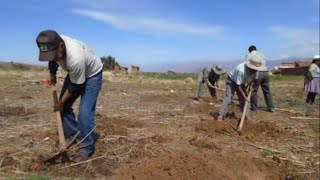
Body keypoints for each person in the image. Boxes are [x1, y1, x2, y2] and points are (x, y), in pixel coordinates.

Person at [36, 30, 103, 163]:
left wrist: (60, 102)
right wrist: (52, 73)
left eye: (54, 55)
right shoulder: (54, 44)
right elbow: (52, 60)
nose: (53, 58)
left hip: (92, 75)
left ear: (61, 46)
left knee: (85, 112)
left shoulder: (75, 57)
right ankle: (73, 135)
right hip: (75, 74)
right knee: (63, 107)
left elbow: (75, 86)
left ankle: (86, 147)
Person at [217, 51, 267, 121]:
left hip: (240, 82)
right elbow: (238, 85)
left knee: (244, 100)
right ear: (250, 67)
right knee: (229, 98)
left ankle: (247, 117)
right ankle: (220, 115)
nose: (255, 71)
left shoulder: (256, 71)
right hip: (231, 81)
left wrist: (250, 86)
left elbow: (253, 80)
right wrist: (244, 96)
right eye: (253, 69)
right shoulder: (241, 70)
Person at [248, 45, 275, 112]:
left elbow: (248, 66)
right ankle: (271, 107)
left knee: (253, 91)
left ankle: (254, 107)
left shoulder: (249, 55)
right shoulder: (262, 55)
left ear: (249, 50)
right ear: (256, 49)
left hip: (257, 73)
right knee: (267, 91)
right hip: (265, 73)